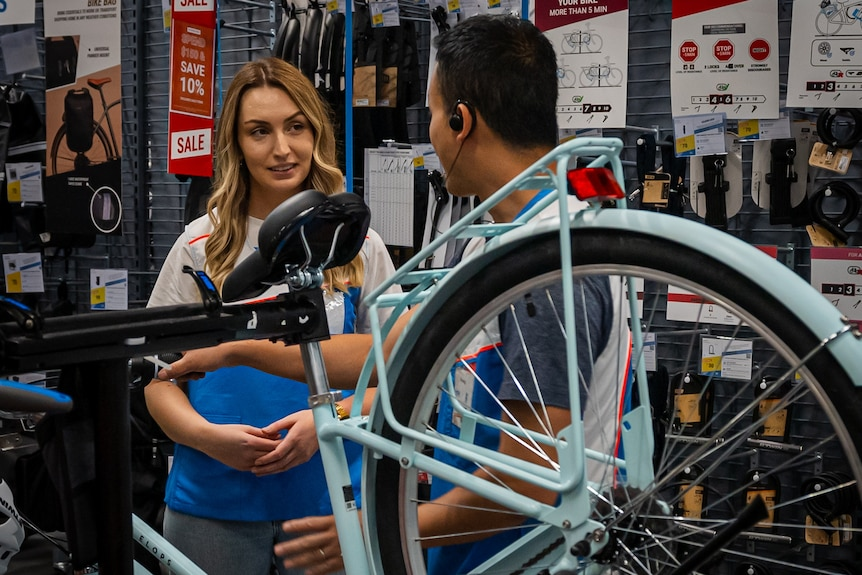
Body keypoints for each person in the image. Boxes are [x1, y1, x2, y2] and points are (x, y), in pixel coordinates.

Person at [158, 14, 629, 575]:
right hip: (476, 552)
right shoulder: (493, 242)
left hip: (527, 556)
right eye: (259, 131)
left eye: (431, 112)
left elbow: (531, 477)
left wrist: (384, 526)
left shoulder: (544, 260)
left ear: (461, 121)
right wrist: (237, 350)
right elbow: (389, 351)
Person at [143, 57, 400, 575]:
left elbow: (398, 374)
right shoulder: (199, 245)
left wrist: (329, 420)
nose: (282, 149)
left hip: (332, 505)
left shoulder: (357, 246)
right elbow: (157, 378)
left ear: (315, 133)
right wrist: (206, 437)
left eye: (295, 127)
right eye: (259, 131)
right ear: (236, 144)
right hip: (212, 504)